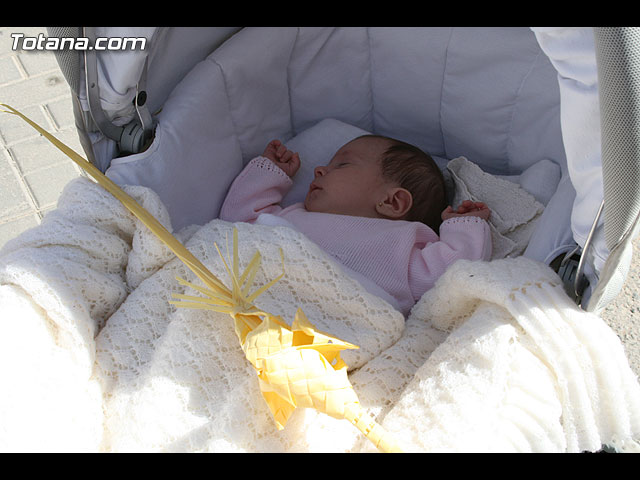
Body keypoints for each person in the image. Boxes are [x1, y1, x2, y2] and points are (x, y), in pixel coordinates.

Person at [220, 135, 491, 314]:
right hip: (258, 304)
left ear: (393, 202)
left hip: (340, 324)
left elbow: (452, 273)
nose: (319, 170)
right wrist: (269, 174)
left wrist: (463, 227)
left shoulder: (401, 246)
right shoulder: (291, 217)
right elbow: (237, 225)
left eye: (343, 164)